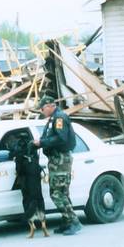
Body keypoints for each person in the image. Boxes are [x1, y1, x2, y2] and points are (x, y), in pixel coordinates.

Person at [33, 96, 82, 236]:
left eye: (42, 109)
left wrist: (42, 143)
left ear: (49, 106)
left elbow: (61, 138)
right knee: (63, 193)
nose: (42, 112)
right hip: (56, 159)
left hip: (60, 159)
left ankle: (74, 222)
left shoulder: (59, 118)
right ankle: (67, 222)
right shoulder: (54, 119)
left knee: (57, 193)